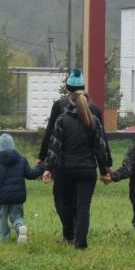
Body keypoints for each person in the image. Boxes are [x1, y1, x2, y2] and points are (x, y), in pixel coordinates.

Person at [44, 84, 112, 249]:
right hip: (87, 170)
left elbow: (55, 146)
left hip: (65, 170)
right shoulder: (93, 121)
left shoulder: (62, 120)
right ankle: (81, 243)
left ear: (70, 104)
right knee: (83, 207)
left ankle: (68, 234)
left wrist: (49, 168)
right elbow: (100, 149)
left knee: (65, 204)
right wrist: (104, 171)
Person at [0, 133, 42, 242]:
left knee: (2, 218)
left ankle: (4, 238)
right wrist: (41, 168)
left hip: (2, 198)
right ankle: (20, 227)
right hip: (17, 197)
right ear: (13, 145)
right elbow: (30, 174)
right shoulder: (21, 160)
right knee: (16, 216)